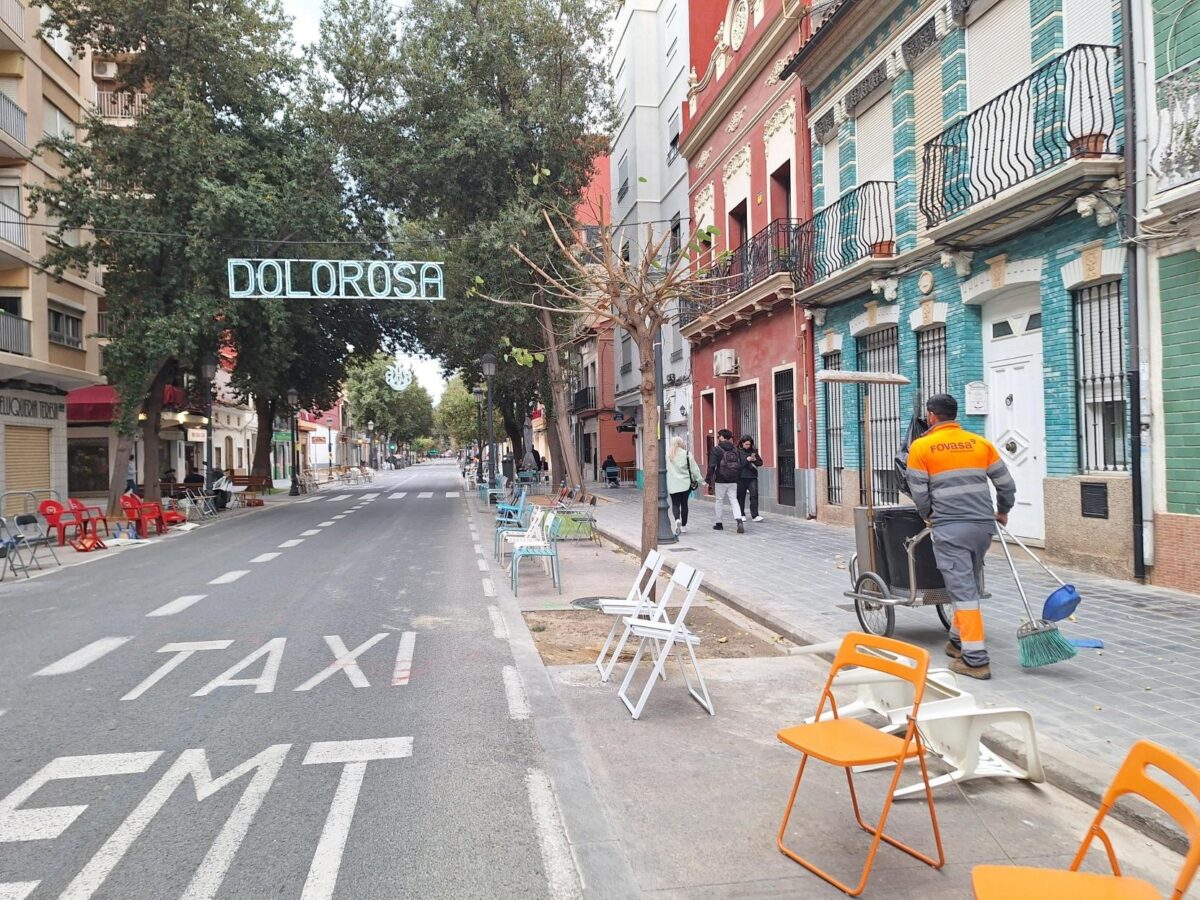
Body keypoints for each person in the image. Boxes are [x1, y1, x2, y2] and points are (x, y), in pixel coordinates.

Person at [907, 393, 1016, 681]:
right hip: (982, 527)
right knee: (967, 582)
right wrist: (1002, 511)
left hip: (950, 526)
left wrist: (929, 514)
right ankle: (957, 641)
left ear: (931, 416)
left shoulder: (922, 447)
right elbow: (1006, 485)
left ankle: (975, 659)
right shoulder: (980, 444)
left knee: (964, 592)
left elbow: (918, 491)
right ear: (955, 415)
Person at [706, 428, 745, 533]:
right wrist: (737, 477)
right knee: (734, 500)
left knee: (719, 500)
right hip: (733, 480)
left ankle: (719, 523)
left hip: (720, 480)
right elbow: (742, 464)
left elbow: (711, 466)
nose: (718, 438)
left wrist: (708, 479)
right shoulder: (736, 449)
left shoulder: (716, 449)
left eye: (719, 436)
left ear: (722, 437)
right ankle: (739, 520)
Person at [665, 436, 703, 534]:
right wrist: (701, 480)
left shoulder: (668, 455)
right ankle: (684, 526)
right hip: (685, 484)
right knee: (684, 504)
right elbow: (694, 469)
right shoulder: (686, 454)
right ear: (681, 443)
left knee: (675, 504)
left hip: (673, 484)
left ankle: (677, 519)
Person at [736, 435, 764, 523]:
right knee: (741, 496)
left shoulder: (754, 452)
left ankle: (755, 515)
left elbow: (760, 463)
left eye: (749, 444)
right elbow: (738, 464)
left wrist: (755, 459)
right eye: (746, 444)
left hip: (752, 477)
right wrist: (747, 460)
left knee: (754, 495)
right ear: (742, 443)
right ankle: (741, 514)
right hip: (741, 477)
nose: (748, 446)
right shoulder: (738, 452)